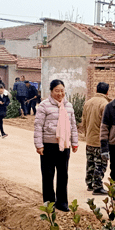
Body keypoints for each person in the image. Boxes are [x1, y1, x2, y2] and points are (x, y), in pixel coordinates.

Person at [34, 79, 79, 212]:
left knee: (63, 174)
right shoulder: (43, 106)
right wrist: (39, 145)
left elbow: (73, 126)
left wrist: (75, 143)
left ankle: (62, 202)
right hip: (48, 145)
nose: (60, 94)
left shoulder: (68, 106)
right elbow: (38, 127)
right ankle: (49, 203)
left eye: (62, 91)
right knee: (48, 175)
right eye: (57, 91)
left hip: (64, 145)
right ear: (51, 91)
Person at [83, 82, 111, 195]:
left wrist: (86, 134)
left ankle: (89, 183)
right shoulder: (105, 104)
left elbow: (83, 121)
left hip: (89, 139)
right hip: (100, 141)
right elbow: (107, 124)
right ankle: (98, 186)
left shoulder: (88, 102)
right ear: (107, 91)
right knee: (100, 164)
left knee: (90, 162)